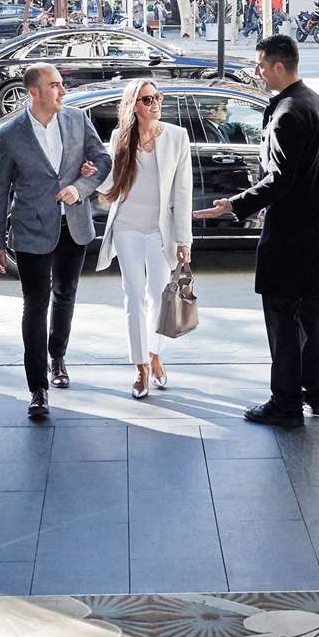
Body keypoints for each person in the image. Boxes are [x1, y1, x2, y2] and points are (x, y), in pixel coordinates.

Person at [205, 33, 319, 424]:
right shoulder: (313, 101)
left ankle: (286, 403)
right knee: (310, 316)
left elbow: (279, 180)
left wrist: (234, 203)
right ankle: (314, 392)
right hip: (313, 232)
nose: (258, 72)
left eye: (261, 66)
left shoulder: (287, 113)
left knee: (282, 320)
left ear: (278, 66)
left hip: (289, 237)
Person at [0, 62, 110, 421]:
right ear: (34, 92)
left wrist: (80, 187)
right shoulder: (11, 134)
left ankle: (58, 356)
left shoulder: (77, 119)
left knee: (65, 294)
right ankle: (37, 388)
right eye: (54, 85)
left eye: (61, 84)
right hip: (30, 230)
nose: (62, 91)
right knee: (35, 305)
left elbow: (103, 161)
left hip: (73, 225)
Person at [96, 76, 194, 399]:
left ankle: (154, 354)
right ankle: (140, 367)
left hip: (159, 231)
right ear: (133, 106)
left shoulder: (177, 137)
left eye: (157, 97)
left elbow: (183, 193)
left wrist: (184, 240)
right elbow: (111, 184)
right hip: (126, 227)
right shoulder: (120, 137)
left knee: (160, 295)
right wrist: (92, 175)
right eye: (147, 99)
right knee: (134, 295)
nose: (155, 104)